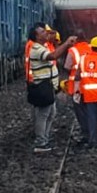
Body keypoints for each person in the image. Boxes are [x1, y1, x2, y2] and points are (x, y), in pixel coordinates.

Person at [26, 25, 77, 153]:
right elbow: (53, 56)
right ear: (37, 36)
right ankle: (41, 142)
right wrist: (66, 44)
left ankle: (45, 138)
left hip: (47, 86)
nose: (46, 33)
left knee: (50, 113)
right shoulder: (36, 49)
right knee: (43, 114)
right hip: (42, 86)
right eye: (43, 32)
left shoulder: (42, 47)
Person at [62, 30, 92, 144]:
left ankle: (86, 134)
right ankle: (93, 133)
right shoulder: (91, 48)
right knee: (91, 110)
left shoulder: (73, 50)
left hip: (77, 87)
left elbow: (67, 67)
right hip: (91, 85)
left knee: (80, 111)